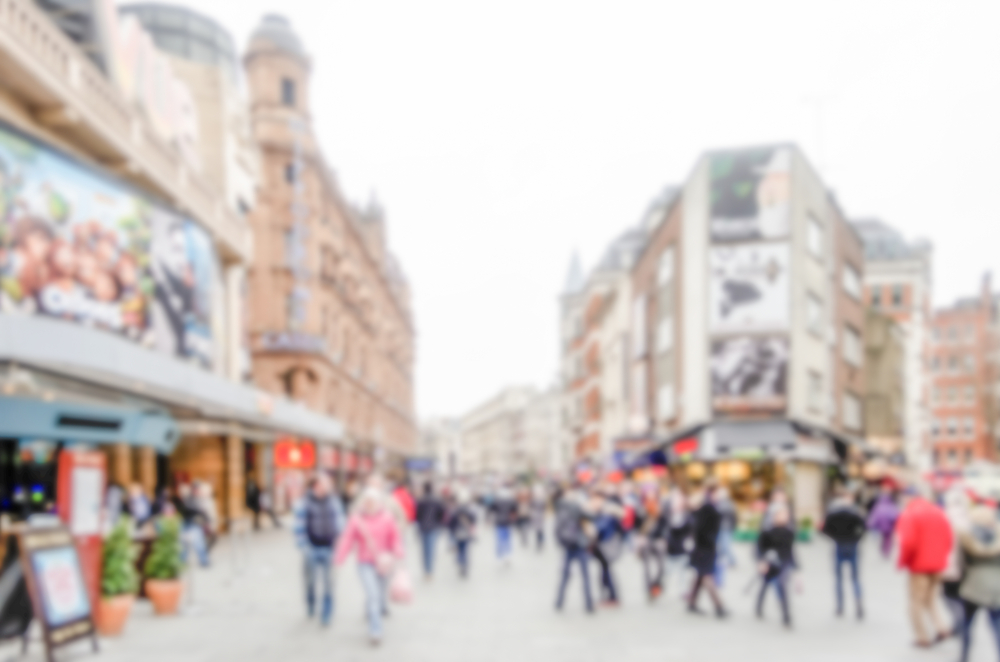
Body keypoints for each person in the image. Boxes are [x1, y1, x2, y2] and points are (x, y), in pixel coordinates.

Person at [335, 488, 404, 646]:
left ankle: (372, 613)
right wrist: (340, 558)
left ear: (378, 502)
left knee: (379, 596)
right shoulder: (356, 519)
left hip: (385, 562)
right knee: (373, 595)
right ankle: (376, 630)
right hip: (364, 562)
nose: (369, 504)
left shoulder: (387, 517)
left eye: (372, 500)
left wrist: (398, 551)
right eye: (366, 500)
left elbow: (395, 537)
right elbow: (347, 539)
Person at [896, 485, 954, 648]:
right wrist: (942, 557)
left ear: (908, 498)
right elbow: (949, 538)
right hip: (938, 564)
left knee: (916, 602)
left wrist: (903, 562)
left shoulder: (909, 514)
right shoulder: (938, 512)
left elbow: (907, 542)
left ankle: (922, 637)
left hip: (919, 565)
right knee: (931, 599)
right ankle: (941, 627)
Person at [293, 473, 346, 627]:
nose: (329, 486)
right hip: (311, 549)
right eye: (325, 483)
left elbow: (340, 522)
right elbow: (298, 528)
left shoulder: (334, 502)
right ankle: (311, 604)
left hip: (329, 549)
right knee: (310, 582)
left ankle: (326, 613)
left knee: (329, 583)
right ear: (316, 485)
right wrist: (304, 547)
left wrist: (340, 542)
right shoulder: (303, 503)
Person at [956, 504, 1000, 662]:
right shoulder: (997, 535)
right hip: (996, 586)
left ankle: (964, 656)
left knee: (967, 624)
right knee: (996, 626)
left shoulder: (967, 536)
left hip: (973, 584)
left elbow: (961, 562)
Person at [821, 486, 867, 619]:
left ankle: (840, 607)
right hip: (852, 546)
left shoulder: (834, 513)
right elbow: (864, 529)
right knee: (855, 578)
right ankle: (858, 605)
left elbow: (825, 529)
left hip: (839, 545)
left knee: (839, 579)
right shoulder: (856, 513)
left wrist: (835, 537)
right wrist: (856, 538)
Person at [686, 485, 727, 618]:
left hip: (703, 547)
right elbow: (701, 529)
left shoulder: (705, 508)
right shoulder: (708, 508)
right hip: (705, 548)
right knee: (707, 576)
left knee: (700, 576)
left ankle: (691, 602)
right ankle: (719, 606)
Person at [755, 505, 797, 628]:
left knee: (782, 585)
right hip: (770, 562)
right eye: (781, 514)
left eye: (786, 514)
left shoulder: (789, 532)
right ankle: (758, 607)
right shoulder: (767, 531)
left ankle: (786, 616)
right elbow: (760, 548)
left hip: (784, 562)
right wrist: (761, 561)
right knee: (765, 585)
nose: (784, 517)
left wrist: (797, 568)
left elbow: (790, 550)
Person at [554, 488, 595, 613]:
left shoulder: (559, 506)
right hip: (579, 543)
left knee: (565, 576)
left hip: (567, 546)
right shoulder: (576, 506)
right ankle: (589, 604)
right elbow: (591, 516)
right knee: (585, 576)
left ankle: (559, 602)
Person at [942, 487, 971, 636]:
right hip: (965, 566)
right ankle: (960, 622)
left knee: (948, 595)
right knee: (959, 595)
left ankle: (960, 622)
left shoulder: (946, 518)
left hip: (949, 564)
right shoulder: (968, 519)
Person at [591, 485, 625, 607]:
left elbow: (599, 528)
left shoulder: (607, 512)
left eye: (596, 499)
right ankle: (609, 596)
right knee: (605, 572)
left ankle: (612, 596)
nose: (594, 502)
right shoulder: (603, 511)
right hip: (603, 547)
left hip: (606, 546)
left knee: (607, 572)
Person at [661, 486, 692, 598]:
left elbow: (689, 529)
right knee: (667, 571)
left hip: (683, 547)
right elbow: (665, 527)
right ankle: (659, 587)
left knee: (682, 571)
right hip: (671, 547)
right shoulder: (668, 513)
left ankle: (683, 590)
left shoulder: (687, 515)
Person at [172, 483, 209, 568]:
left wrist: (205, 519)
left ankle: (204, 561)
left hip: (194, 523)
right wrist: (198, 512)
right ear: (194, 490)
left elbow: (202, 511)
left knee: (198, 543)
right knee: (186, 544)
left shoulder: (198, 498)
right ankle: (182, 562)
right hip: (188, 523)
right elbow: (188, 510)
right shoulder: (189, 499)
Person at [415, 482, 445, 580]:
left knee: (424, 550)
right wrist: (439, 523)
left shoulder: (421, 500)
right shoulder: (437, 500)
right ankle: (430, 571)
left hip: (423, 527)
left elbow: (417, 514)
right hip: (434, 527)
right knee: (431, 550)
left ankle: (426, 570)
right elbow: (442, 512)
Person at [448, 489, 477, 577]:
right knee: (465, 549)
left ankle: (460, 562)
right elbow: (474, 519)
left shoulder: (456, 510)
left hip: (458, 531)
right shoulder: (469, 509)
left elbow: (451, 521)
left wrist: (452, 531)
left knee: (460, 549)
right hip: (466, 532)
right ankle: (464, 564)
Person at [867, 483, 900, 559]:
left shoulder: (878, 506)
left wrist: (870, 524)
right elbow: (895, 516)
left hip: (881, 526)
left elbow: (874, 516)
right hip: (889, 526)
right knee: (888, 539)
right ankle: (886, 551)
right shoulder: (891, 505)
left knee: (883, 538)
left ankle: (883, 550)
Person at [713, 487, 737, 587]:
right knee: (723, 547)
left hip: (724, 528)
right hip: (724, 528)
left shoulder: (722, 504)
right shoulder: (728, 504)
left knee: (725, 546)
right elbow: (734, 517)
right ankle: (727, 561)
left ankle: (732, 561)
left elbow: (732, 517)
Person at [491, 486, 519, 564]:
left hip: (499, 521)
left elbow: (492, 509)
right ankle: (508, 555)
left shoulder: (497, 500)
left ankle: (500, 555)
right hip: (508, 521)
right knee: (507, 539)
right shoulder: (511, 500)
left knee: (500, 539)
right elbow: (514, 510)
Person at [193, 480, 219, 553]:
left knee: (212, 538)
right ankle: (203, 552)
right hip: (203, 523)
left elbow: (212, 513)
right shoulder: (199, 500)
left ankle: (204, 551)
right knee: (205, 538)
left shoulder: (209, 500)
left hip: (209, 522)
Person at [530, 483, 547, 551]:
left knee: (540, 529)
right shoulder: (534, 499)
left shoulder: (542, 499)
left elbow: (544, 508)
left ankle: (541, 541)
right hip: (536, 515)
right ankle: (539, 542)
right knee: (538, 530)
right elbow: (531, 506)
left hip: (539, 515)